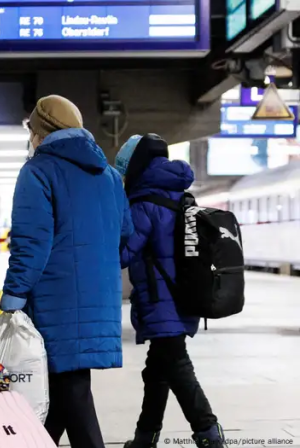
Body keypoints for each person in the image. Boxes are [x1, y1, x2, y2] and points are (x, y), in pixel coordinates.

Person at [0, 95, 132, 448]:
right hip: (99, 297)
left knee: (72, 389)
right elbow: (125, 236)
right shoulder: (110, 177)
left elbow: (31, 244)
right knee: (64, 388)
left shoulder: (38, 172)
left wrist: (13, 295)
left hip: (55, 298)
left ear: (40, 133)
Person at [115, 134, 224, 448]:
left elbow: (124, 254)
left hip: (160, 301)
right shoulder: (182, 198)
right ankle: (145, 437)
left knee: (176, 366)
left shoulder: (144, 204)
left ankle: (209, 433)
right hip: (185, 295)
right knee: (157, 371)